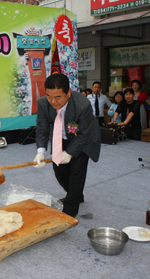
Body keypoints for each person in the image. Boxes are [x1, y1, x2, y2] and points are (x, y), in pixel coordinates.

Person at [34, 73, 101, 218]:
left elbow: (84, 134)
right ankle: (75, 195)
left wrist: (69, 153)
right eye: (49, 96)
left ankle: (69, 211)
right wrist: (41, 151)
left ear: (68, 93)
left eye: (58, 97)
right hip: (61, 136)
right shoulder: (43, 103)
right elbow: (42, 127)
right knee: (59, 169)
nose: (53, 101)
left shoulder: (82, 104)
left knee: (77, 172)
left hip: (84, 137)